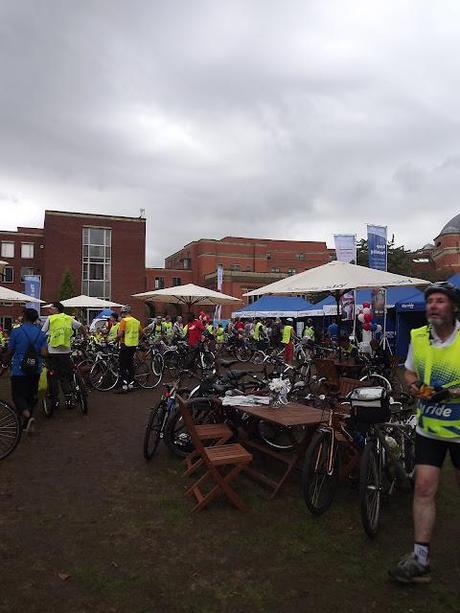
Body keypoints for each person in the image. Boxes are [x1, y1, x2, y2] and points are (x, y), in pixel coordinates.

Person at [389, 282, 460, 584]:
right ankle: (420, 559)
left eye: (440, 300)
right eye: (430, 301)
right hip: (428, 426)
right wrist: (415, 386)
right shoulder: (418, 337)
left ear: (454, 307)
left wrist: (452, 391)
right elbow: (409, 371)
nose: (433, 305)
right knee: (423, 489)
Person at [6, 308, 48, 432]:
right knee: (31, 395)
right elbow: (44, 353)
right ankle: (27, 423)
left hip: (19, 369)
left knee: (17, 395)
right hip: (35, 369)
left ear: (24, 317)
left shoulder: (16, 331)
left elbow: (10, 350)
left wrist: (5, 362)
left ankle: (27, 416)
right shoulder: (41, 333)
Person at [42, 301, 86, 410]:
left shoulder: (51, 319)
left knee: (52, 377)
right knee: (66, 376)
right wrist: (85, 337)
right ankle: (69, 399)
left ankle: (55, 400)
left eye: (51, 308)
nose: (49, 310)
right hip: (66, 353)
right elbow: (82, 327)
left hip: (52, 353)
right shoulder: (68, 318)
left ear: (56, 309)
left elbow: (42, 333)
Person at [116, 305, 142, 393]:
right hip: (133, 345)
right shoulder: (136, 321)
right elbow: (141, 332)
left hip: (125, 345)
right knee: (130, 365)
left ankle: (124, 386)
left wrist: (114, 339)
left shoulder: (124, 321)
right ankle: (131, 384)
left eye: (122, 313)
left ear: (124, 313)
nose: (121, 315)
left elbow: (120, 334)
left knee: (122, 366)